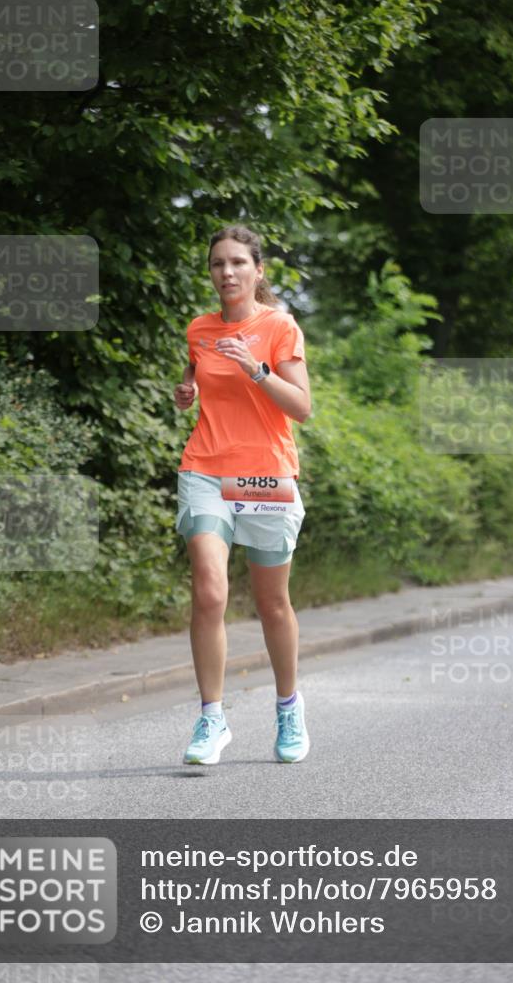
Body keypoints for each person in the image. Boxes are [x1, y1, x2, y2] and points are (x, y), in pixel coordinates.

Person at [173, 225, 311, 765]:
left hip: (265, 476)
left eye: (236, 263)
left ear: (258, 270)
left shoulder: (279, 326)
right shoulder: (200, 328)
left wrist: (254, 369)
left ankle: (288, 706)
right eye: (216, 264)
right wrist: (186, 390)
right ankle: (211, 719)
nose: (226, 273)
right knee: (210, 592)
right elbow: (195, 372)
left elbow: (301, 407)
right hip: (206, 469)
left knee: (272, 603)